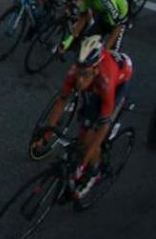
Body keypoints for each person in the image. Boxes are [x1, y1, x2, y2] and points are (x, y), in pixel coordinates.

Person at [32, 36, 133, 200]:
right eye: (78, 73)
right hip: (99, 79)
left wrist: (83, 164)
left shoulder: (106, 79)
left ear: (95, 69)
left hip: (120, 80)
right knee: (83, 129)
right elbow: (61, 102)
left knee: (93, 137)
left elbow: (101, 129)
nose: (79, 80)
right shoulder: (77, 70)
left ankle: (94, 171)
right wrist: (46, 137)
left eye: (84, 75)